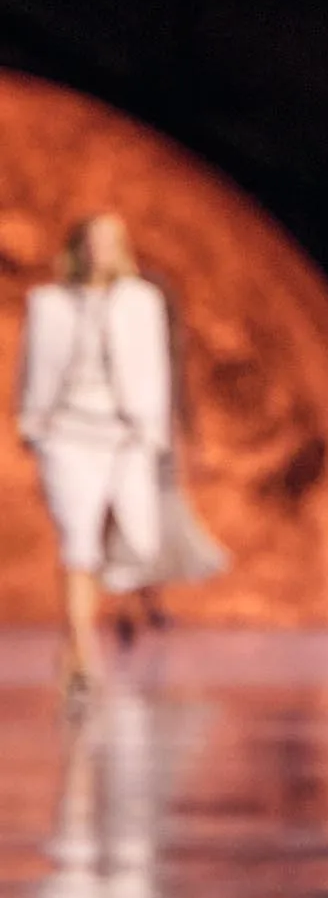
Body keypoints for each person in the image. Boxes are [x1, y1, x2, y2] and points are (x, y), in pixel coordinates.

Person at [17, 215, 171, 691]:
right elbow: (31, 367)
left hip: (124, 435)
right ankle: (82, 648)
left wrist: (153, 433)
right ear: (77, 248)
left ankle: (83, 636)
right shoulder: (49, 303)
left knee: (129, 538)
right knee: (77, 536)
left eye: (109, 242)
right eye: (91, 242)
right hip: (66, 433)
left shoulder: (142, 302)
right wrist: (33, 425)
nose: (99, 251)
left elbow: (156, 368)